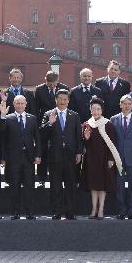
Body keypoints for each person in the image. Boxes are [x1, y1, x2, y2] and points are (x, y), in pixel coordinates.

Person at [41, 89, 83, 220]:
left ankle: (70, 212)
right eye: (60, 99)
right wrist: (50, 123)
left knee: (71, 184)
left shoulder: (74, 115)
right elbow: (41, 134)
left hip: (71, 156)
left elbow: (78, 136)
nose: (63, 101)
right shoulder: (48, 114)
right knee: (55, 185)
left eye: (65, 99)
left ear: (68, 101)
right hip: (55, 155)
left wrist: (79, 152)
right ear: (56, 99)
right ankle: (57, 211)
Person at [1, 95, 41, 219]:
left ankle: (29, 212)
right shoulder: (7, 118)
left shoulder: (32, 119)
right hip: (13, 158)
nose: (19, 105)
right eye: (17, 103)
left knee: (29, 186)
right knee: (14, 186)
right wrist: (2, 116)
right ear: (13, 104)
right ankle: (15, 212)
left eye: (22, 103)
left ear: (26, 104)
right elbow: (2, 136)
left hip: (28, 158)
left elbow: (37, 139)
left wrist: (38, 155)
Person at [81, 98, 119, 219]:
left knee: (102, 185)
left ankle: (101, 209)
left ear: (102, 110)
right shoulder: (87, 124)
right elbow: (85, 145)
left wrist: (111, 158)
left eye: (98, 109)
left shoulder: (108, 124)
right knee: (93, 185)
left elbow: (112, 143)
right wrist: (86, 138)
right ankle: (93, 209)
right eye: (93, 109)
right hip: (91, 159)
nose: (96, 112)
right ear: (90, 110)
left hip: (104, 158)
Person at [111, 95, 132, 219]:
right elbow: (111, 140)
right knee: (119, 186)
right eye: (124, 104)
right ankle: (122, 211)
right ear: (120, 105)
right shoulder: (113, 119)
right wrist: (112, 158)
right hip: (118, 158)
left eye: (129, 104)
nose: (126, 106)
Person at [34, 70, 69, 183]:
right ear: (46, 81)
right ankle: (41, 178)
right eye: (50, 84)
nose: (52, 86)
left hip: (60, 123)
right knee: (43, 150)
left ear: (58, 81)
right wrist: (41, 124)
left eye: (54, 83)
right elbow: (36, 108)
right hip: (45, 123)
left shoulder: (64, 88)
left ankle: (63, 177)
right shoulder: (39, 89)